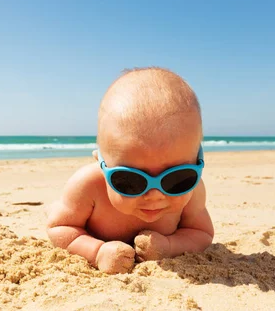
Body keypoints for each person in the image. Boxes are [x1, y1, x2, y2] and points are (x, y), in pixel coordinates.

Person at [46, 67, 214, 274]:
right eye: (129, 181)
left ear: (198, 162)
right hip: (81, 217)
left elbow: (201, 233)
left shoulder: (194, 192)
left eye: (178, 179)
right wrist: (96, 252)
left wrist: (169, 247)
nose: (154, 195)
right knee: (61, 210)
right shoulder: (88, 186)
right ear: (100, 162)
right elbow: (60, 229)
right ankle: (56, 206)